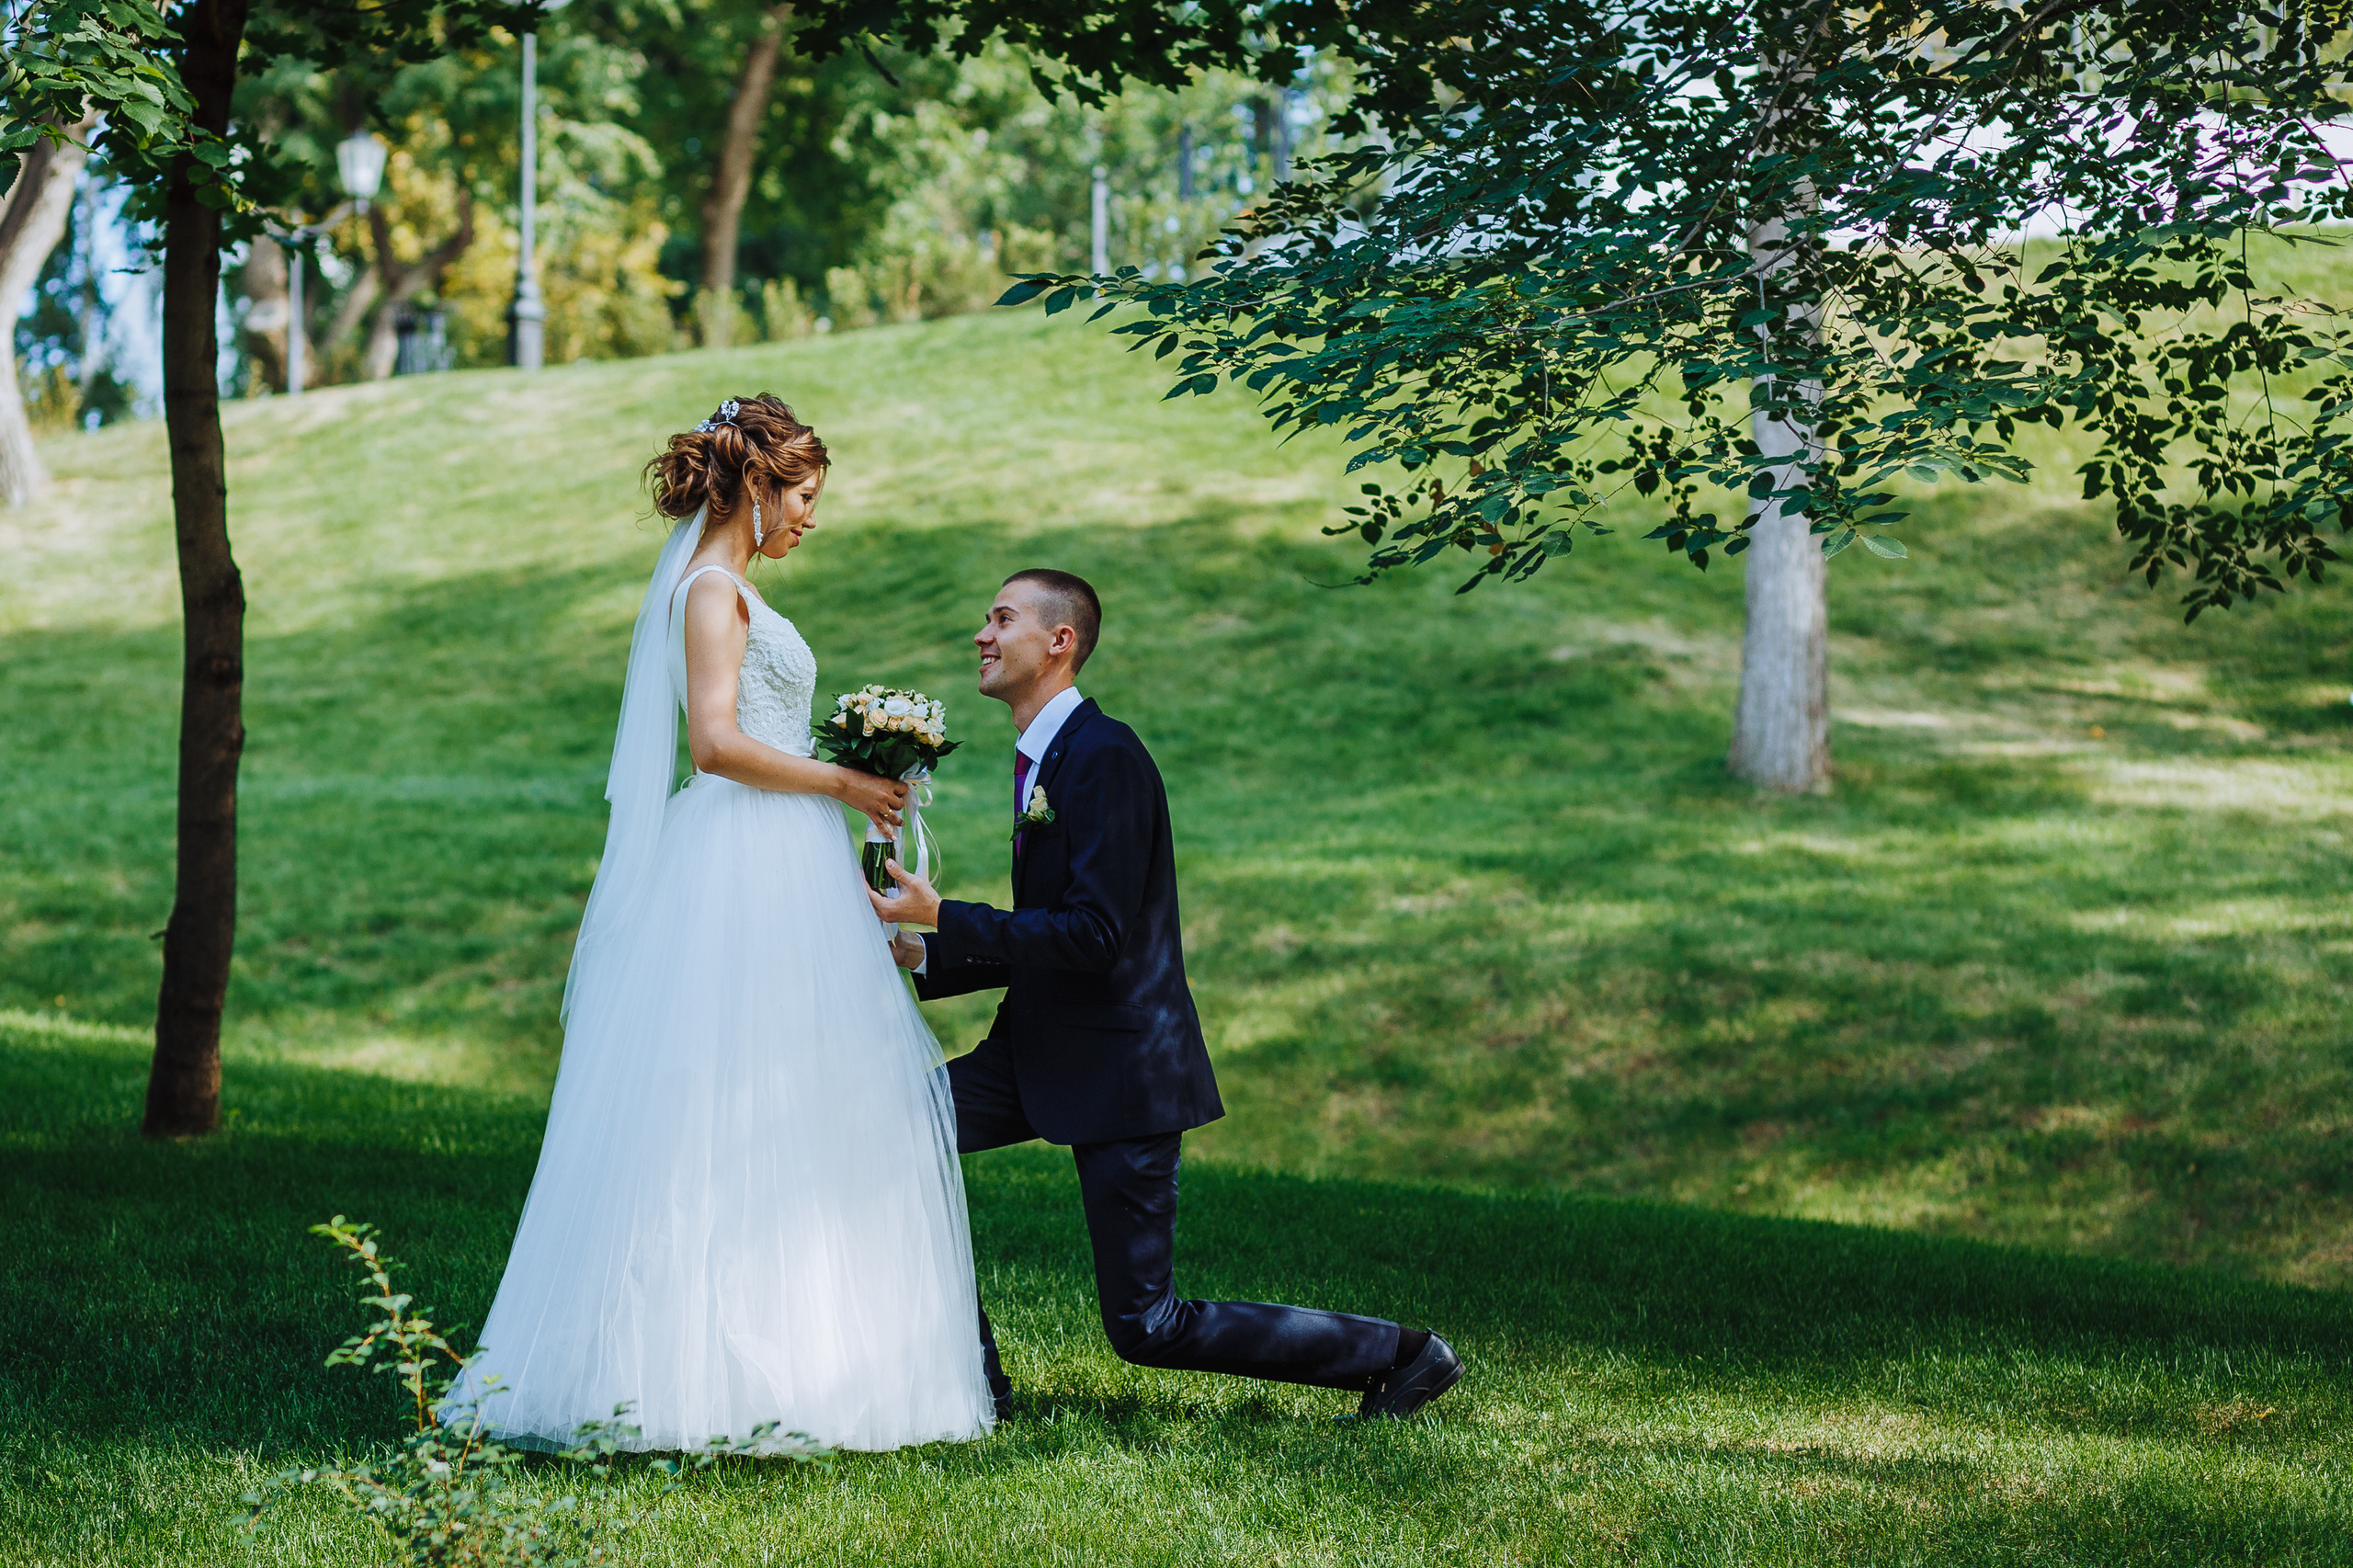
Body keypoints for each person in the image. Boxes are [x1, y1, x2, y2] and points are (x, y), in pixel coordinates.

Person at [443, 397, 995, 1452]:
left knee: (804, 1095)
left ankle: (829, 1355)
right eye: (804, 497)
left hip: (783, 855)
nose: (810, 518)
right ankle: (692, 1374)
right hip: (744, 855)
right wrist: (843, 778)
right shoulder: (708, 589)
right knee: (720, 1096)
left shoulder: (731, 586)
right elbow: (712, 742)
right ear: (756, 484)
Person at [870, 570, 1463, 1420]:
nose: (982, 635)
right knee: (890, 1135)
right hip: (1038, 1046)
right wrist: (919, 953)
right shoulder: (1046, 756)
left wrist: (948, 916)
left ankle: (1403, 1355)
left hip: (1122, 1067)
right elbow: (1054, 932)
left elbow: (1095, 936)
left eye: (1002, 619)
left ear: (1060, 641)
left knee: (1147, 1325)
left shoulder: (1105, 757)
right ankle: (973, 1377)